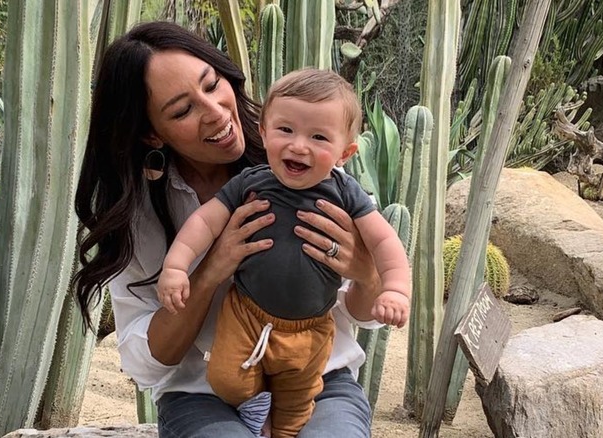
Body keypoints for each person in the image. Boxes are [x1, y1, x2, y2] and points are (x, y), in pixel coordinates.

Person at [73, 21, 403, 438]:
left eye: (211, 86)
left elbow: (360, 315)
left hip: (317, 380)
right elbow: (146, 362)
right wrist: (209, 270)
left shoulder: (307, 164)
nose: (214, 112)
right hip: (202, 394)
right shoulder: (137, 215)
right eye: (182, 110)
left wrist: (366, 273)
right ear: (151, 132)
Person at [157, 68, 411, 437]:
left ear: (345, 152)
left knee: (296, 407)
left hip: (310, 331)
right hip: (246, 315)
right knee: (227, 379)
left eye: (319, 137)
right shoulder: (251, 182)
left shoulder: (347, 194)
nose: (298, 145)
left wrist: (394, 288)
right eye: (285, 130)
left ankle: (280, 426)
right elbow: (203, 223)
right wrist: (177, 267)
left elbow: (385, 241)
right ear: (263, 131)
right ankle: (255, 407)